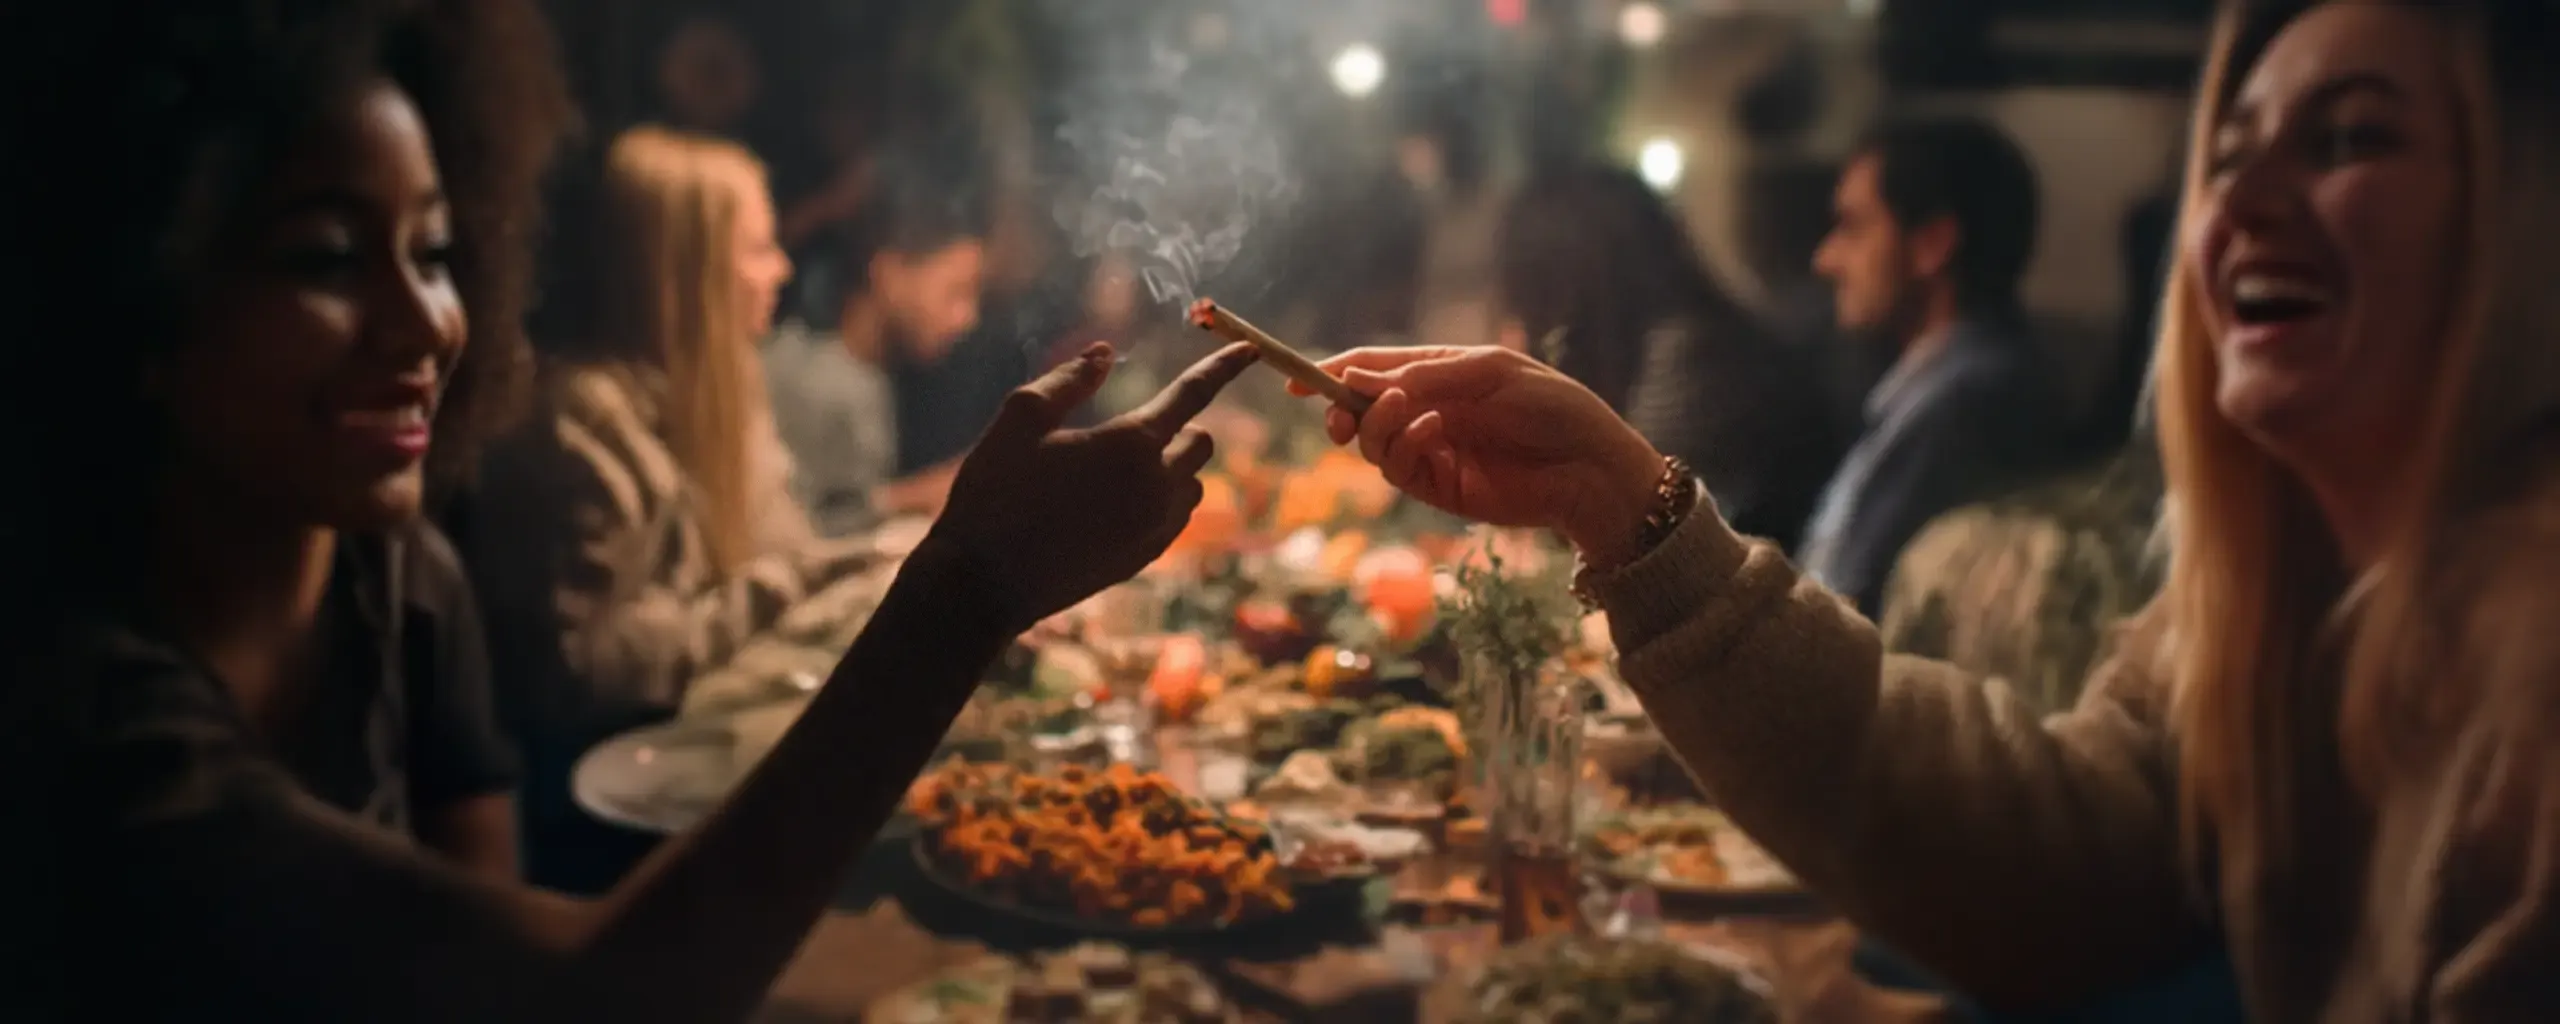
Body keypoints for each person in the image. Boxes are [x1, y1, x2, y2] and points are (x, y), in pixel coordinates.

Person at [1296, 1, 2560, 1017]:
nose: (2239, 206)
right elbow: (2056, 860)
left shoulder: (2531, 671)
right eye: (2225, 158)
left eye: (2349, 139)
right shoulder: (2276, 582)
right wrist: (1617, 502)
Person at [0, 0, 1261, 1018]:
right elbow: (596, 992)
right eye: (324, 257)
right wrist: (966, 590)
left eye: (433, 254)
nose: (423, 324)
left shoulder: (398, 575)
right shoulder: (83, 718)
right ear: (136, 289)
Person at [1798, 116, 2069, 616]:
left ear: (1932, 245)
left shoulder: (1970, 403)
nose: (1826, 258)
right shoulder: (1936, 391)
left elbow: (1842, 609)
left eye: (1853, 227)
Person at [1496, 163, 1842, 552]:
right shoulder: (1666, 345)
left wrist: (1524, 396)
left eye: (1527, 288)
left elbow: (1628, 533)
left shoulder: (1695, 358)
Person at [767, 182, 989, 527]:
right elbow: (791, 531)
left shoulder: (874, 378)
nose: (968, 317)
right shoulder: (808, 381)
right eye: (956, 291)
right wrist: (914, 496)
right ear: (889, 273)